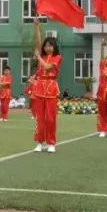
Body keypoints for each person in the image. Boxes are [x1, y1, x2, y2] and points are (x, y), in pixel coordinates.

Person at [32, 20, 62, 153]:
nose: (48, 48)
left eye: (50, 46)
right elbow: (38, 42)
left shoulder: (57, 57)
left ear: (54, 47)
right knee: (40, 117)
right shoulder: (42, 55)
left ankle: (51, 143)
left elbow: (48, 67)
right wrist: (37, 26)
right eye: (46, 46)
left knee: (50, 117)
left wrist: (38, 58)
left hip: (51, 89)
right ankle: (39, 142)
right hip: (40, 88)